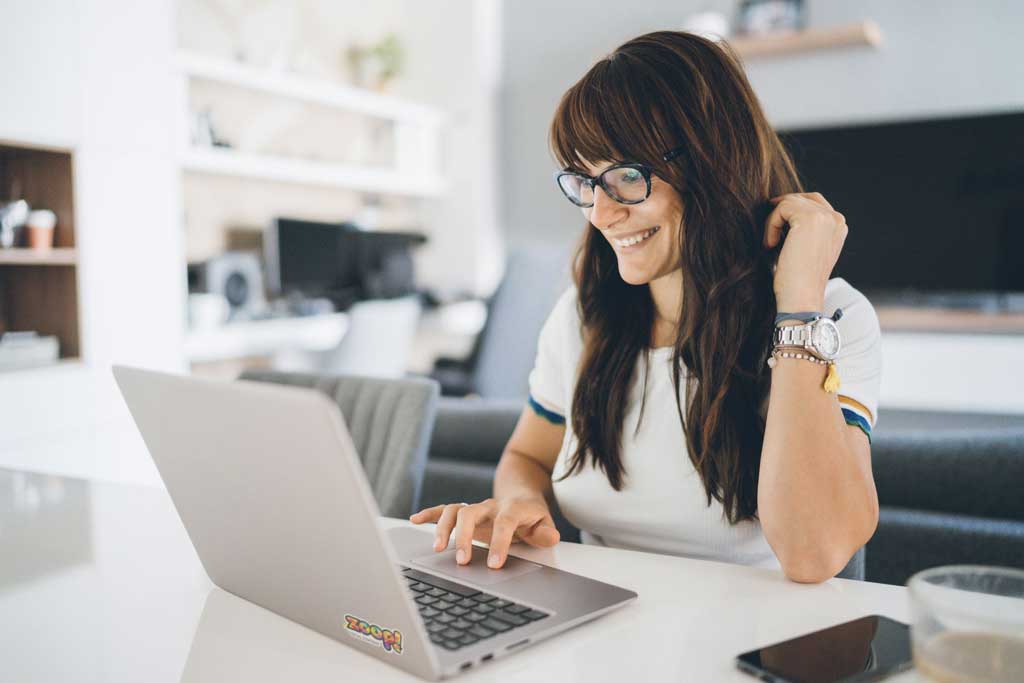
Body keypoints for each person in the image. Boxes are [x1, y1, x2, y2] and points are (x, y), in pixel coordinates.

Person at [411, 30, 881, 583]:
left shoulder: (832, 319)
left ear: (713, 163)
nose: (600, 214)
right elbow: (526, 458)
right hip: (596, 625)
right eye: (586, 182)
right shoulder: (582, 318)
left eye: (628, 177)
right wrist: (520, 501)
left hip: (757, 642)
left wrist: (799, 308)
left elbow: (815, 555)